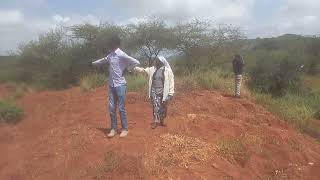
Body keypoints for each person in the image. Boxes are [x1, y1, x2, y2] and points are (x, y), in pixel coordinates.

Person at [92, 35, 140, 138]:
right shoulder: (110, 55)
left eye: (111, 43)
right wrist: (92, 63)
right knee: (111, 108)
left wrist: (127, 69)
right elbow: (102, 60)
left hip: (121, 85)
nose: (109, 45)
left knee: (121, 108)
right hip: (112, 85)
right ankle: (113, 129)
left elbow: (136, 62)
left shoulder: (121, 54)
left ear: (115, 44)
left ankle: (125, 129)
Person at [134, 56, 174, 129]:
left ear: (162, 62)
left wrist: (171, 93)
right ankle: (156, 121)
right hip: (154, 91)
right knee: (155, 107)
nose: (156, 62)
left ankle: (162, 120)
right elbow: (144, 71)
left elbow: (171, 82)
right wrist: (136, 68)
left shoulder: (168, 71)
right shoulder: (152, 69)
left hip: (164, 92)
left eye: (158, 61)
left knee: (163, 107)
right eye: (156, 61)